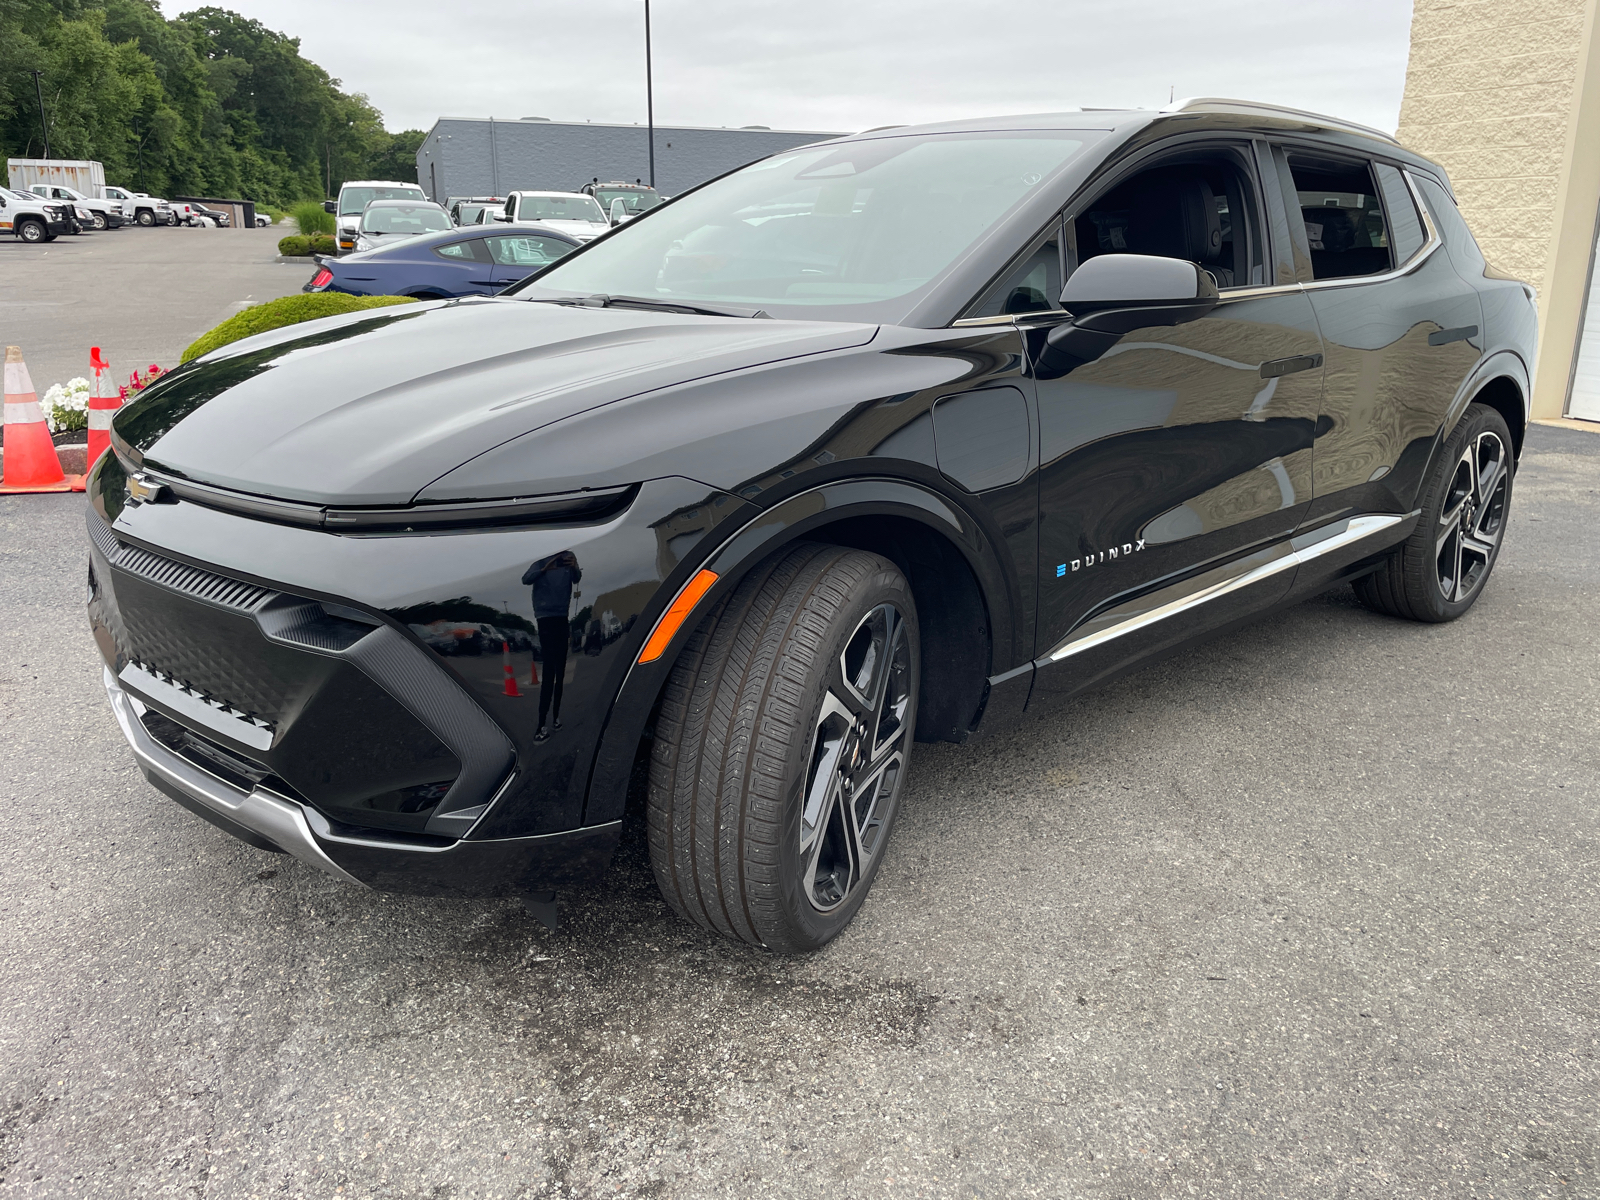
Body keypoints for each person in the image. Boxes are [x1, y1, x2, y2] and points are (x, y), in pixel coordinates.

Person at [521, 550, 581, 741]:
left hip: (562, 615)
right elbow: (526, 579)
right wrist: (545, 568)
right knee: (549, 671)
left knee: (560, 670)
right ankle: (541, 724)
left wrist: (575, 566)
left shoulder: (568, 555)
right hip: (545, 616)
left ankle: (555, 717)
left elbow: (576, 578)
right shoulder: (541, 558)